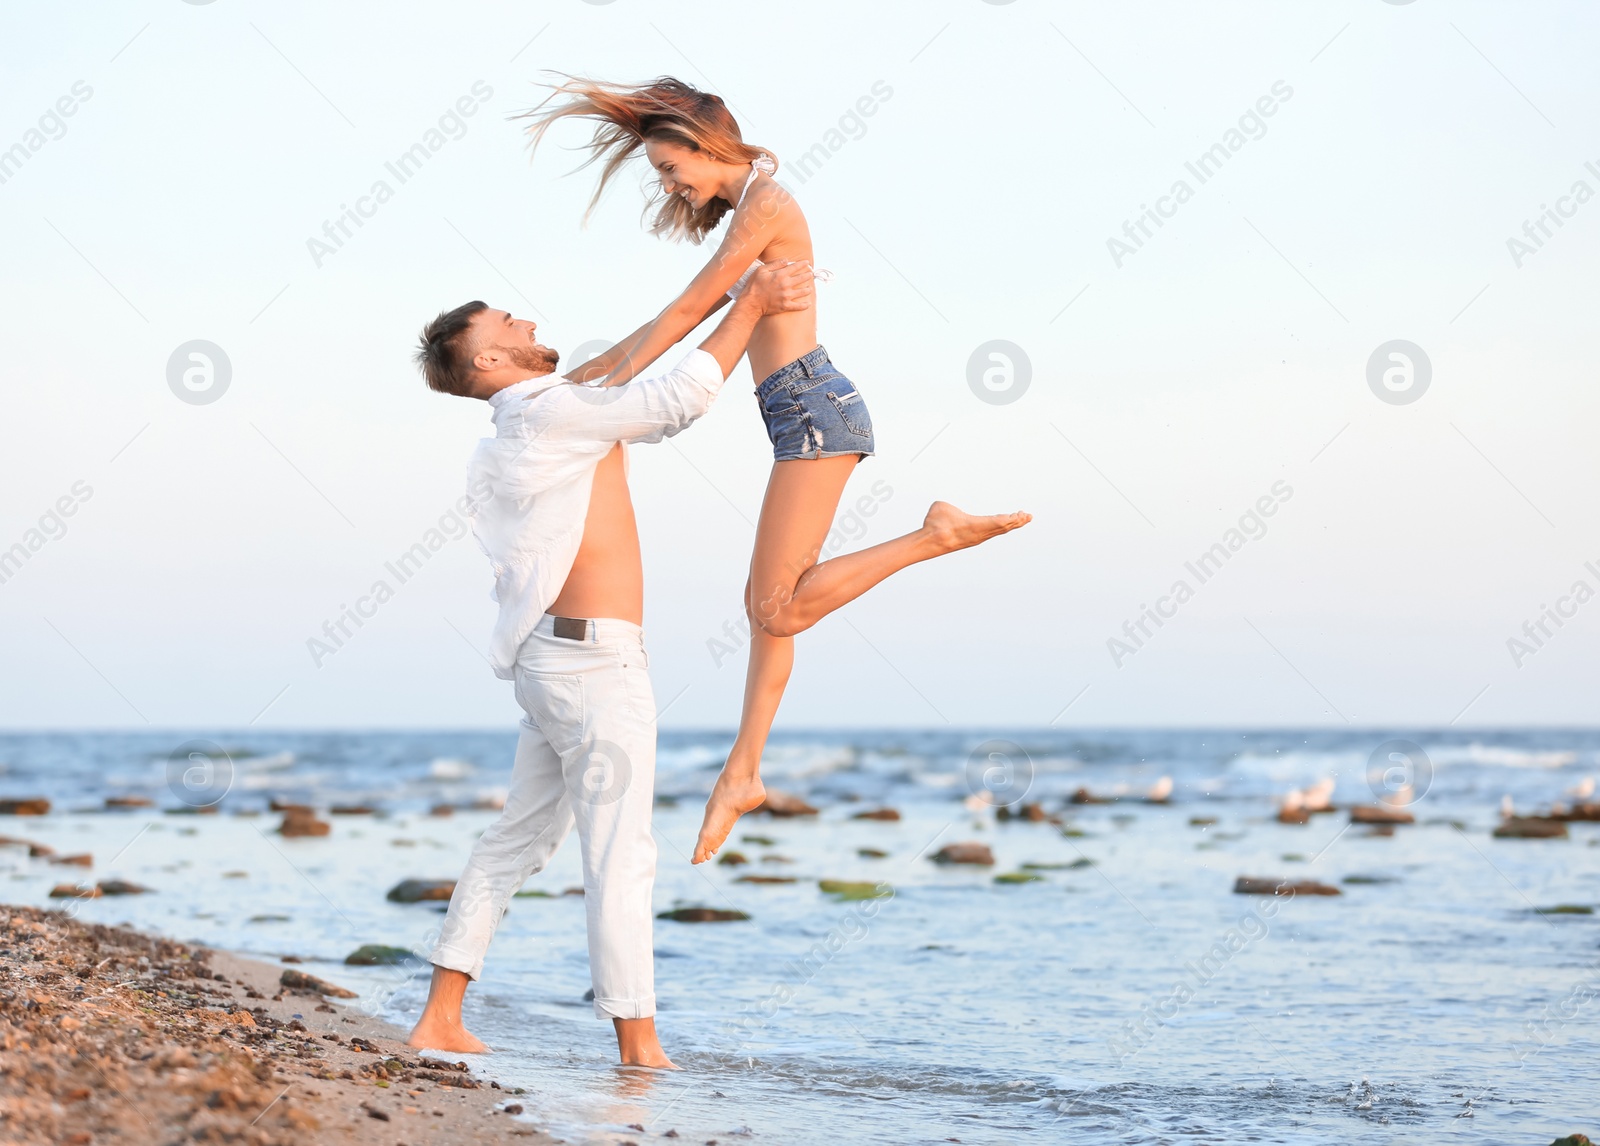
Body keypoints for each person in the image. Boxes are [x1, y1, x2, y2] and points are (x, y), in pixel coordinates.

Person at [523, 77, 1032, 863]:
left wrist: (601, 380)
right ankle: (745, 772)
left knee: (778, 609)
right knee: (770, 613)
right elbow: (691, 308)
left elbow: (694, 307)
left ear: (705, 144)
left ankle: (934, 537)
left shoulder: (767, 201)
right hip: (803, 417)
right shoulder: (754, 204)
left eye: (668, 168)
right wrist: (595, 375)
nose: (668, 185)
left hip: (816, 415)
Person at [404, 260, 815, 1067]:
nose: (525, 322)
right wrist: (754, 303)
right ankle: (640, 1048)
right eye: (506, 326)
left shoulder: (535, 419)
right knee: (621, 856)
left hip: (556, 662)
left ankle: (440, 1016)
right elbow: (676, 401)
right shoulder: (555, 415)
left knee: (514, 841)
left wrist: (729, 288)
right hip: (593, 669)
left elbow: (633, 360)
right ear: (487, 362)